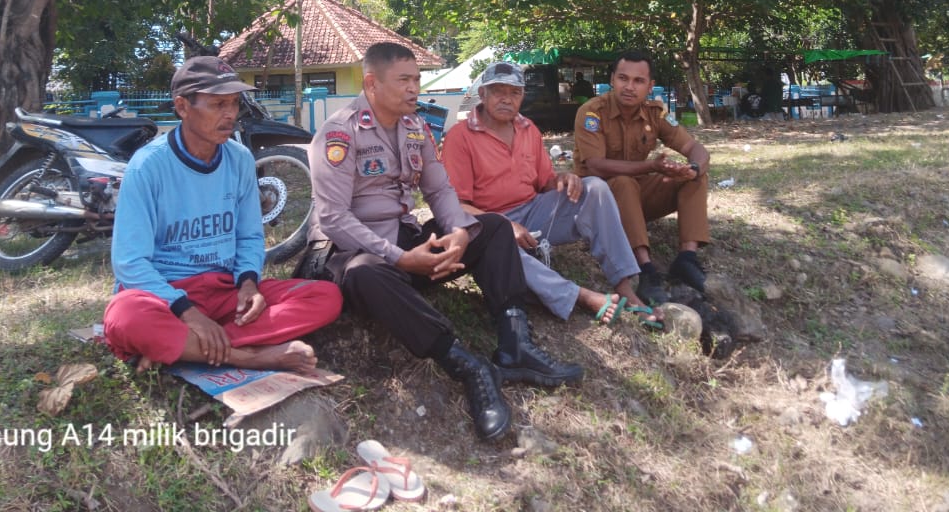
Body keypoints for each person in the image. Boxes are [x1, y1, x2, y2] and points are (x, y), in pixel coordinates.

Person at [305, 42, 583, 441]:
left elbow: (439, 190)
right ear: (371, 84)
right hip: (354, 252)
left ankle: (516, 345)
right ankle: (468, 366)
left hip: (406, 240)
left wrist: (459, 232)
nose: (414, 88)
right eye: (404, 80)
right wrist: (399, 258)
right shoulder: (339, 133)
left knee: (493, 227)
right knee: (366, 272)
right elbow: (334, 219)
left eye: (417, 79)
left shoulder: (414, 127)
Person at [103, 56, 343, 374]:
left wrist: (248, 284)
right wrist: (187, 312)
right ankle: (248, 356)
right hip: (166, 294)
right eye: (217, 104)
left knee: (325, 297)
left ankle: (183, 346)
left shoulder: (239, 159)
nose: (230, 114)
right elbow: (129, 262)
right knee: (125, 317)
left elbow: (249, 236)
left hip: (225, 292)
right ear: (182, 107)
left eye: (233, 103)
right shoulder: (148, 166)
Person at [443, 62, 662, 328]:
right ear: (482, 94)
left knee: (595, 188)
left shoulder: (528, 129)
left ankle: (625, 287)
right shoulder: (460, 137)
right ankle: (580, 296)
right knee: (500, 247)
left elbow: (544, 182)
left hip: (533, 212)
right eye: (498, 91)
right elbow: (457, 205)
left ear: (522, 96)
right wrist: (504, 225)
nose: (507, 99)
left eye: (514, 92)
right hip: (488, 223)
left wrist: (563, 179)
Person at [574, 49, 713, 307]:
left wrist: (693, 167)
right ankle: (646, 270)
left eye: (638, 81)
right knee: (623, 182)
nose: (629, 87)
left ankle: (687, 259)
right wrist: (650, 166)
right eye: (622, 78)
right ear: (612, 80)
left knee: (693, 178)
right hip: (598, 202)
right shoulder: (592, 112)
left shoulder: (655, 112)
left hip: (635, 200)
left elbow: (695, 148)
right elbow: (595, 166)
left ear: (650, 86)